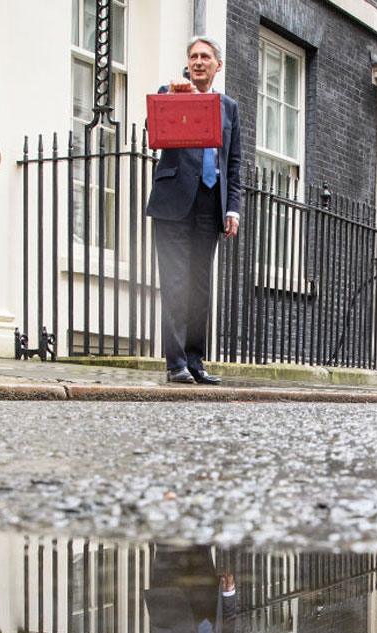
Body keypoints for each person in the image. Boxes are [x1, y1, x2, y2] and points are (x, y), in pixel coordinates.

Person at [146, 36, 242, 385]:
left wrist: (233, 208)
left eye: (205, 56)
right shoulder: (170, 94)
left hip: (210, 203)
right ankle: (175, 364)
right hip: (173, 202)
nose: (198, 61)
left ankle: (195, 361)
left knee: (200, 287)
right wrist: (173, 98)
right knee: (175, 282)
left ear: (218, 65)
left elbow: (234, 161)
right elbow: (153, 134)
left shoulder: (229, 107)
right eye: (193, 56)